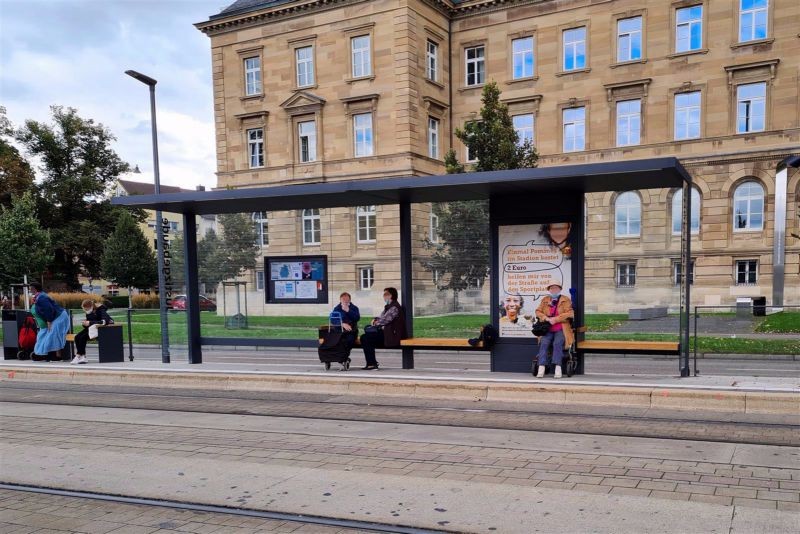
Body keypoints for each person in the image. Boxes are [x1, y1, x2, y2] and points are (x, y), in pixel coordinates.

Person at [359, 287, 407, 370]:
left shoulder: (394, 307)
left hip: (392, 335)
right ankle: (371, 363)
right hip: (387, 333)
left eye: (386, 295)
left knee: (365, 338)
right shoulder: (388, 306)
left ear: (391, 296)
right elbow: (381, 318)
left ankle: (372, 363)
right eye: (384, 295)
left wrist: (375, 321)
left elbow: (384, 320)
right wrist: (376, 320)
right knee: (366, 335)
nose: (384, 297)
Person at [534, 283, 574, 379]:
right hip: (547, 328)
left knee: (558, 343)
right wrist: (546, 318)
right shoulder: (545, 300)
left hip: (561, 327)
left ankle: (558, 367)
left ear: (559, 289)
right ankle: (541, 367)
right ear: (549, 290)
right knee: (544, 343)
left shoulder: (565, 299)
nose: (553, 290)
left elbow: (570, 313)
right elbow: (538, 311)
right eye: (551, 288)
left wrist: (556, 319)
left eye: (555, 288)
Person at [29, 282, 70, 362]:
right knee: (52, 335)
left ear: (35, 289)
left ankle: (55, 356)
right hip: (57, 316)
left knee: (53, 335)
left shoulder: (41, 297)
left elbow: (49, 309)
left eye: (31, 288)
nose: (30, 290)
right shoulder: (40, 296)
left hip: (59, 316)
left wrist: (49, 321)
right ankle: (51, 355)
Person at [71, 299, 114, 365]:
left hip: (101, 329)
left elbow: (104, 321)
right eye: (84, 309)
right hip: (92, 328)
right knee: (77, 337)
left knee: (83, 337)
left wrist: (90, 322)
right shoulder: (88, 313)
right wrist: (85, 324)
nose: (86, 311)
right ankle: (83, 356)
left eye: (86, 309)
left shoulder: (101, 310)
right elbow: (89, 324)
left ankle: (78, 355)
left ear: (91, 306)